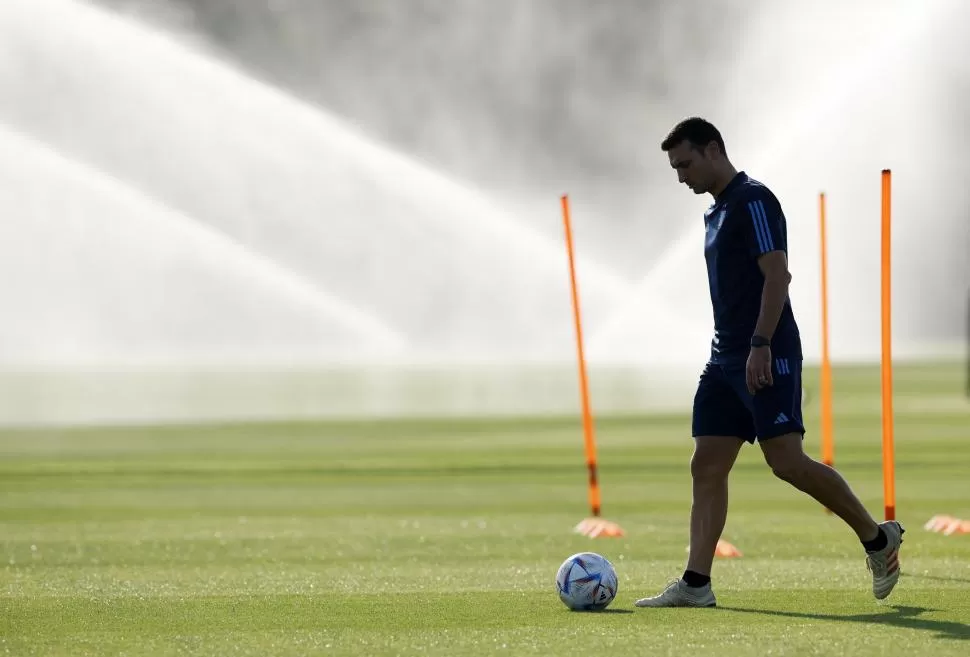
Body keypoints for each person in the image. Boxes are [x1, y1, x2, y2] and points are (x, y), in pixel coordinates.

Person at [634, 117, 904, 608]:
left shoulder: (753, 200)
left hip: (766, 351)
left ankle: (877, 538)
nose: (680, 177)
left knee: (786, 462)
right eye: (674, 168)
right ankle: (696, 584)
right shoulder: (714, 214)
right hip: (723, 359)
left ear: (714, 149)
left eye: (685, 164)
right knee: (706, 465)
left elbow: (777, 276)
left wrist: (761, 344)